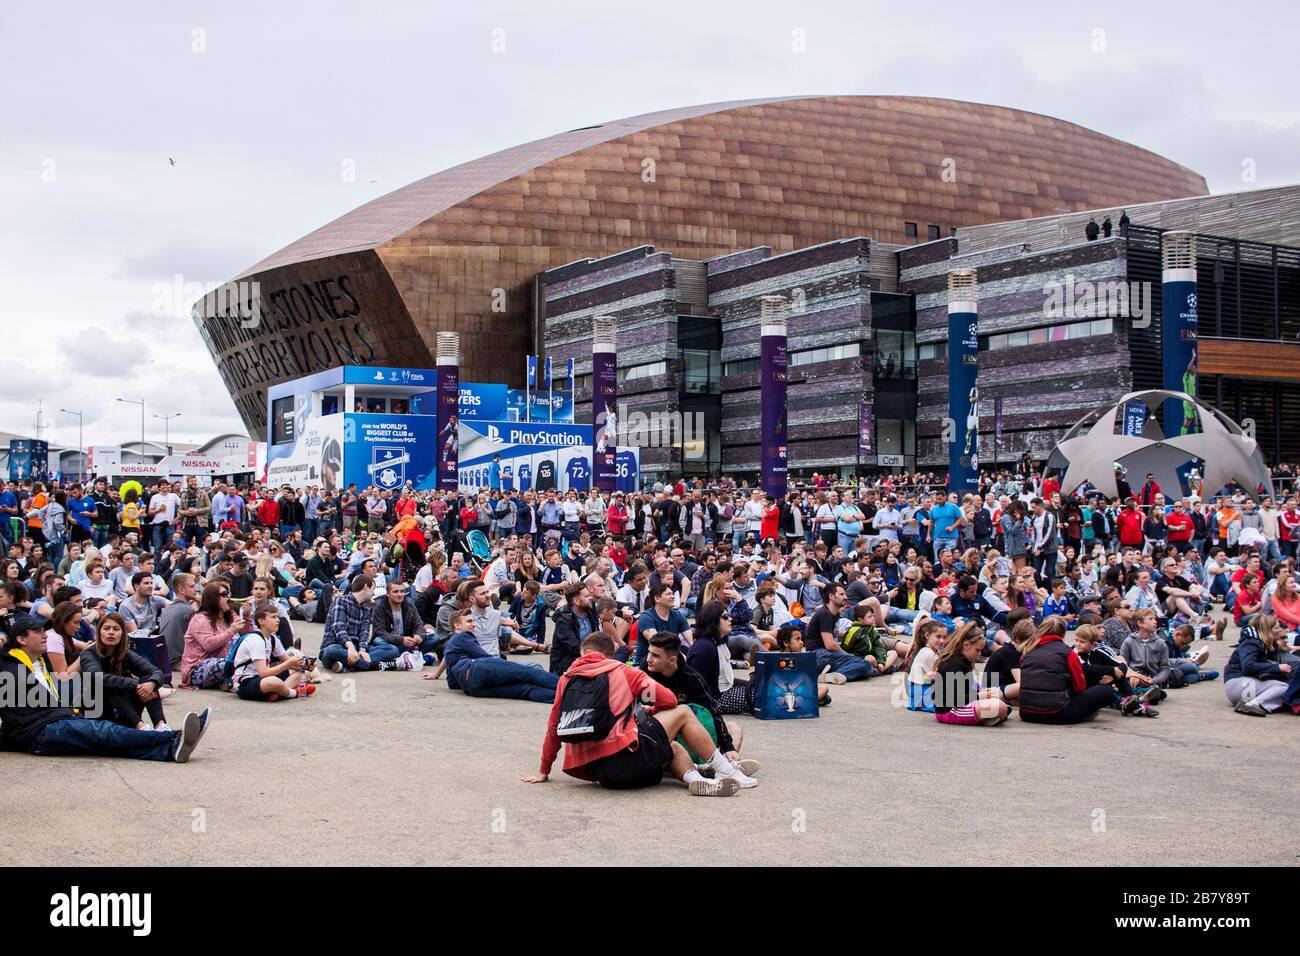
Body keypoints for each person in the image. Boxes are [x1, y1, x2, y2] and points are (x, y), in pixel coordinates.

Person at [521, 631, 750, 795]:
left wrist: (544, 770)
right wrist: (648, 708)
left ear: (587, 652)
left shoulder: (566, 679)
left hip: (600, 774)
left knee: (671, 747)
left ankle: (697, 780)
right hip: (626, 760)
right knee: (682, 712)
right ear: (608, 653)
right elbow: (669, 700)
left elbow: (553, 727)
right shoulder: (625, 672)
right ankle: (726, 771)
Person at [0, 613, 211, 763]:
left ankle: (169, 748)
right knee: (105, 733)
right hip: (42, 730)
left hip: (59, 719)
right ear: (21, 639)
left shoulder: (39, 662)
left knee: (106, 741)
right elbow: (94, 677)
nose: (45, 634)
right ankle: (173, 738)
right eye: (37, 631)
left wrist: (150, 682)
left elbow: (152, 671)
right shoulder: (8, 666)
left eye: (44, 630)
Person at [427, 607, 559, 702]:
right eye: (469, 622)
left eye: (473, 621)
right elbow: (484, 657)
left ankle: (565, 699)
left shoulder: (451, 645)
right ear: (457, 626)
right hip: (477, 669)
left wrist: (438, 674)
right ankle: (571, 688)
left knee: (525, 690)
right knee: (529, 672)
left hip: (472, 689)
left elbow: (452, 683)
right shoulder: (463, 637)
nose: (473, 625)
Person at [78, 611, 171, 730]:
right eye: (106, 628)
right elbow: (97, 677)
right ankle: (140, 727)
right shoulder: (89, 653)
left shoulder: (125, 654)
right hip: (95, 710)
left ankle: (160, 725)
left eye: (116, 629)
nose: (111, 632)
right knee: (111, 684)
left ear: (122, 633)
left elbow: (156, 672)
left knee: (148, 680)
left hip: (124, 710)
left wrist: (151, 684)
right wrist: (136, 685)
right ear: (99, 632)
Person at [1017, 616, 1114, 724]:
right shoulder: (1067, 653)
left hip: (1027, 713)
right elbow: (1079, 687)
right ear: (1063, 634)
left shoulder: (1028, 651)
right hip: (1057, 713)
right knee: (1107, 691)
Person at [231, 604, 315, 701]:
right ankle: (293, 693)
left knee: (303, 673)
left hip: (262, 679)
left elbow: (289, 661)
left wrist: (306, 664)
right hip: (245, 683)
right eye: (273, 617)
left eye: (277, 616)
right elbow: (263, 673)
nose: (278, 620)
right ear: (261, 621)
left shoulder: (273, 639)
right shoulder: (255, 640)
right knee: (273, 682)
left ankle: (277, 693)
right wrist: (288, 664)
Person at [930, 622, 1008, 726]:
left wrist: (986, 693)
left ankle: (990, 715)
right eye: (978, 650)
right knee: (1000, 707)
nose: (979, 654)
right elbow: (956, 700)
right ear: (966, 645)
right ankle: (990, 715)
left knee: (999, 697)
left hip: (962, 704)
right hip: (948, 710)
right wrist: (981, 695)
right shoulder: (952, 665)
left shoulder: (964, 661)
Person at [1224, 615, 1299, 716]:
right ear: (1267, 630)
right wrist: (1277, 667)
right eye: (1276, 628)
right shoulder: (1251, 643)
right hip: (1237, 682)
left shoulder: (1266, 644)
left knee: (1291, 690)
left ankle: (1263, 704)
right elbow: (1248, 666)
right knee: (1284, 689)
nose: (1280, 630)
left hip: (1247, 683)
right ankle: (1253, 704)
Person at [181, 580, 250, 689]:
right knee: (229, 664)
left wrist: (246, 615)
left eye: (229, 593)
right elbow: (209, 645)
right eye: (224, 594)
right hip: (197, 669)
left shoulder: (230, 615)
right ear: (213, 598)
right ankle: (234, 682)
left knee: (250, 660)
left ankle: (235, 683)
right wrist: (231, 631)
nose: (228, 597)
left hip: (225, 662)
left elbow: (247, 634)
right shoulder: (200, 619)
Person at [320, 574, 379, 672]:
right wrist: (350, 647)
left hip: (356, 651)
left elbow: (365, 632)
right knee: (331, 651)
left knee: (391, 650)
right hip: (337, 646)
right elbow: (338, 627)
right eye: (373, 588)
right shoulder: (341, 600)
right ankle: (373, 665)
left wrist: (362, 650)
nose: (374, 593)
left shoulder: (367, 609)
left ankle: (347, 664)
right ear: (365, 587)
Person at [550, 583, 598, 676]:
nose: (590, 598)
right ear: (576, 601)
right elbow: (575, 648)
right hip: (567, 665)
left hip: (587, 656)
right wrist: (597, 654)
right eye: (587, 596)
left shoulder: (590, 607)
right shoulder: (564, 620)